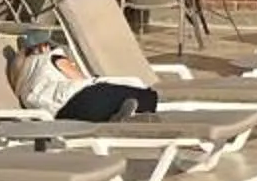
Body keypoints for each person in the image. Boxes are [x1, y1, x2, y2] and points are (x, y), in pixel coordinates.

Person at [11, 30, 161, 123]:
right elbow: (79, 79)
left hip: (60, 114)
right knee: (147, 95)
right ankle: (118, 115)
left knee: (116, 100)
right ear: (44, 46)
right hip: (76, 98)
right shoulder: (52, 57)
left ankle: (114, 116)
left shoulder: (20, 72)